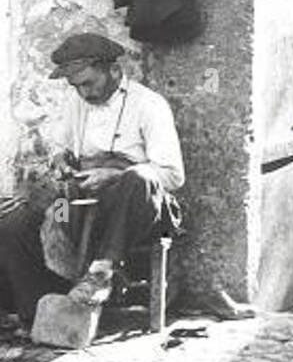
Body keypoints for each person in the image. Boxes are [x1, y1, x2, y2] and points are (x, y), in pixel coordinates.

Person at [0, 33, 184, 327]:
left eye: (89, 83)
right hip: (79, 204)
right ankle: (41, 312)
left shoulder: (149, 104)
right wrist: (61, 161)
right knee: (14, 222)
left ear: (113, 71)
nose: (84, 93)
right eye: (76, 87)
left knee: (140, 177)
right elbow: (63, 148)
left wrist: (115, 174)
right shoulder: (77, 102)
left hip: (136, 207)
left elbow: (173, 175)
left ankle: (101, 273)